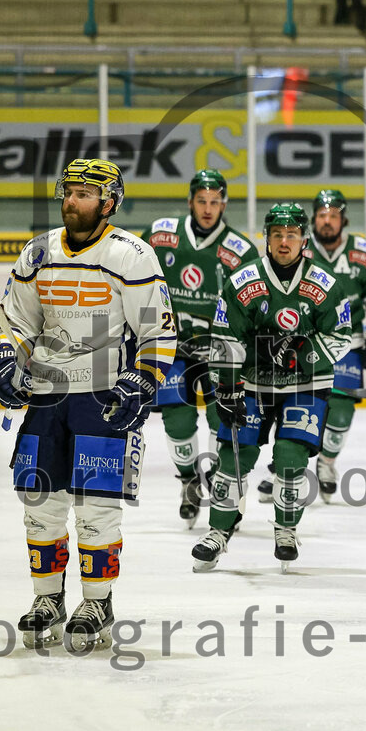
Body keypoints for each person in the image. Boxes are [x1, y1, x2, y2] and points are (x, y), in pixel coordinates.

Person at [0, 158, 175, 651]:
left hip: (102, 396)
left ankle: (97, 601)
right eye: (68, 192)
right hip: (46, 397)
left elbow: (159, 329)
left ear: (109, 202)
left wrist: (142, 380)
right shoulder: (37, 252)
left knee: (96, 507)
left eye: (84, 195)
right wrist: (8, 357)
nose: (72, 201)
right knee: (40, 503)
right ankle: (47, 598)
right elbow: (18, 322)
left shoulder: (132, 255)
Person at [191, 203, 352, 572]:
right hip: (253, 385)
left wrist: (301, 354)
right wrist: (228, 388)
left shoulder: (325, 283)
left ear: (304, 240)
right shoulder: (243, 280)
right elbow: (225, 335)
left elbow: (342, 335)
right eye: (277, 235)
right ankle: (219, 530)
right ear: (266, 238)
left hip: (306, 385)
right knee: (235, 456)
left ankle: (286, 528)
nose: (283, 242)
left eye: (291, 235)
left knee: (290, 457)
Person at [141, 169, 258, 528]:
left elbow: (253, 306)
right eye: (201, 201)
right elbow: (137, 284)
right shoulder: (161, 235)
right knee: (177, 420)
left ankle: (222, 487)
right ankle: (190, 482)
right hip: (172, 346)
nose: (208, 209)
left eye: (215, 202)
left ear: (223, 204)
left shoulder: (241, 250)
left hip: (220, 350)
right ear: (190, 201)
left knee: (222, 421)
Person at [256, 189, 366, 504]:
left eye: (333, 215)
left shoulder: (363, 254)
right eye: (322, 215)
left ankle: (327, 462)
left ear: (344, 220)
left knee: (340, 411)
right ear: (313, 220)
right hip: (295, 347)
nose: (327, 221)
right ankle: (282, 468)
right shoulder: (298, 248)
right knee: (289, 407)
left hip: (345, 343)